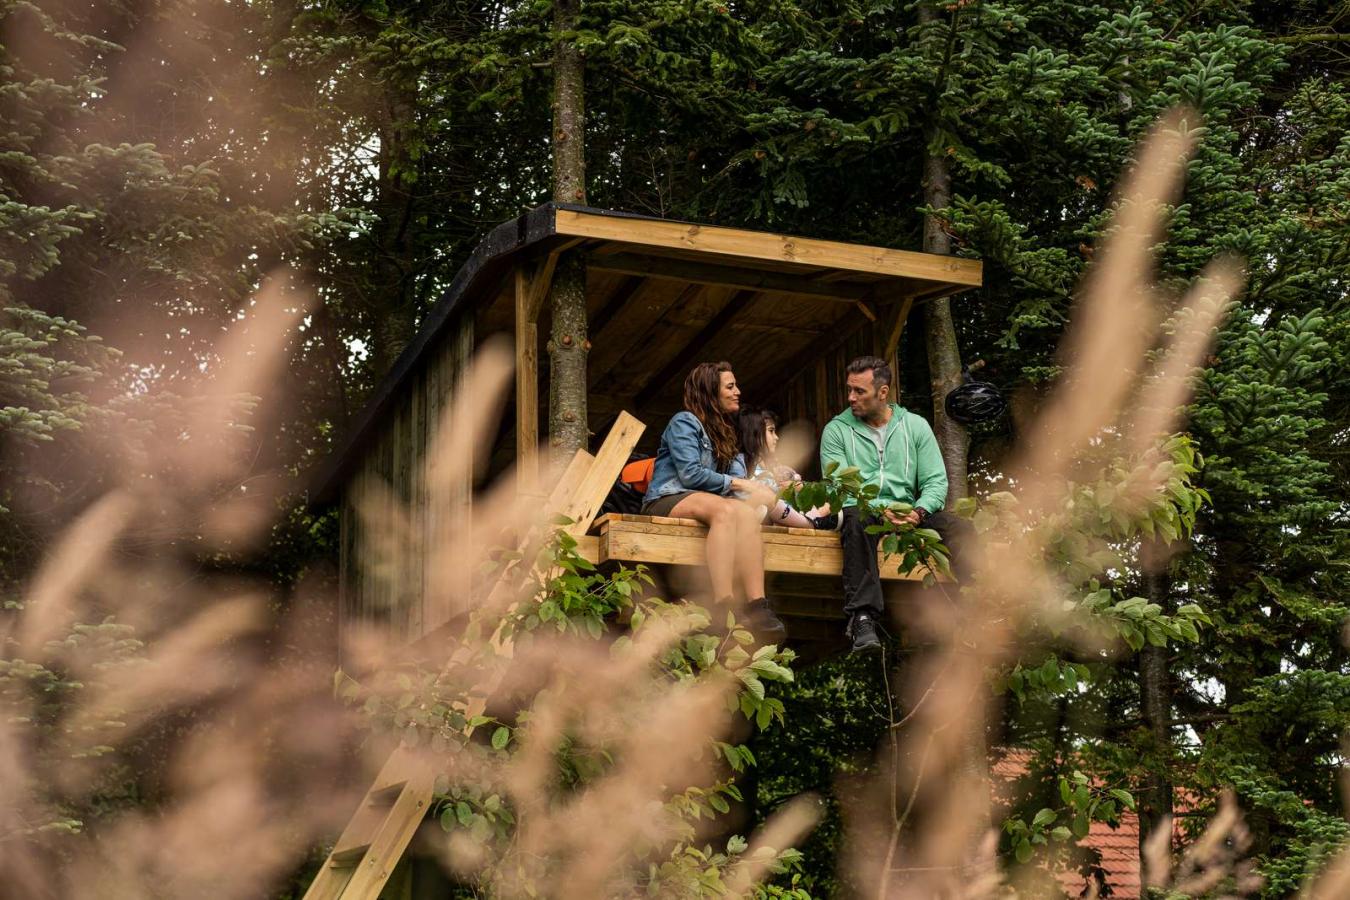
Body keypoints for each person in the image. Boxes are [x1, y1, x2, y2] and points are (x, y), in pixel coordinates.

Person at [819, 356, 971, 652]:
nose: (851, 397)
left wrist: (918, 512)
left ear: (883, 392)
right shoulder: (836, 431)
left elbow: (936, 482)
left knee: (961, 528)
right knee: (855, 518)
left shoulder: (915, 426)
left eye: (859, 391)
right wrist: (880, 509)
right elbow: (839, 487)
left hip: (911, 512)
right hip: (865, 510)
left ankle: (973, 607)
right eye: (849, 390)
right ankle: (862, 618)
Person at [642, 362, 786, 639]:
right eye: (730, 387)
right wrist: (741, 484)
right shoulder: (684, 422)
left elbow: (735, 484)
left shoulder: (725, 431)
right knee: (725, 511)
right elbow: (690, 474)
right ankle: (723, 603)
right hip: (667, 498)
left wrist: (761, 495)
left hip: (709, 502)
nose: (737, 391)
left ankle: (758, 606)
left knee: (745, 514)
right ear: (710, 391)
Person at [735, 408, 836, 530]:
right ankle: (813, 522)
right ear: (755, 433)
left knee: (831, 506)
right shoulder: (741, 462)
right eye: (771, 431)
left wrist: (797, 486)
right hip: (761, 513)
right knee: (766, 498)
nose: (776, 437)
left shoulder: (779, 468)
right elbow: (743, 494)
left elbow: (799, 495)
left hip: (788, 513)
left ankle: (815, 519)